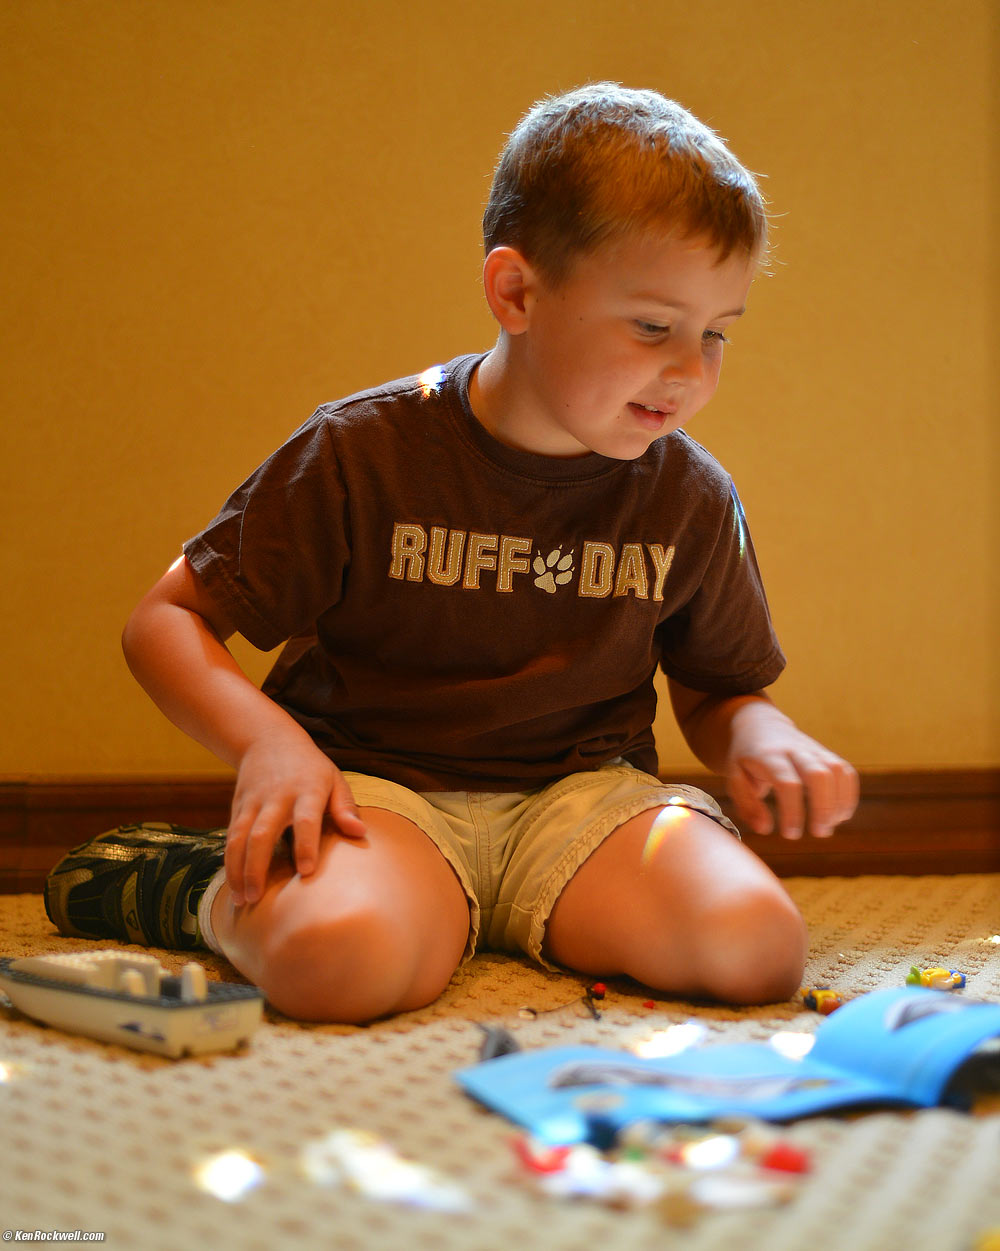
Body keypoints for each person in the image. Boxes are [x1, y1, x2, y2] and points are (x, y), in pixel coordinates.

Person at [46, 83, 859, 1023]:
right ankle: (195, 885)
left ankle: (492, 912)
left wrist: (762, 734)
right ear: (517, 292)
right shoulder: (363, 449)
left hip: (587, 803)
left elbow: (717, 691)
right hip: (380, 794)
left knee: (758, 947)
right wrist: (270, 745)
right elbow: (166, 620)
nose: (689, 369)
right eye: (653, 325)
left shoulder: (690, 494)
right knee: (335, 966)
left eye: (715, 333)